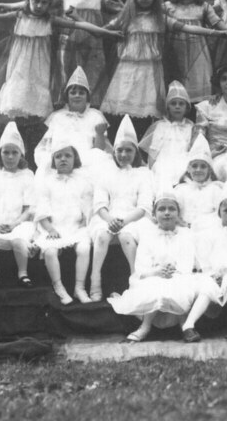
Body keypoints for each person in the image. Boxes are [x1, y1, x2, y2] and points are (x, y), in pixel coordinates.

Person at [101, 0, 227, 121]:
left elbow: (187, 28)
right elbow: (102, 30)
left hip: (151, 70)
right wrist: (83, 22)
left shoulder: (160, 18)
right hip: (127, 68)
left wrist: (216, 32)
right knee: (125, 104)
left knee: (148, 108)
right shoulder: (126, 17)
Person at [109, 190, 202, 342]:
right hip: (153, 274)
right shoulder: (148, 234)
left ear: (178, 213)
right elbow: (141, 266)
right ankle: (145, 326)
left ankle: (184, 324)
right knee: (156, 284)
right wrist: (157, 271)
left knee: (178, 284)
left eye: (171, 209)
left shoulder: (186, 234)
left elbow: (187, 261)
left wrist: (173, 270)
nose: (167, 213)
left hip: (178, 274)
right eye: (162, 209)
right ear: (154, 213)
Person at [180, 196, 227, 342]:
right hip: (212, 274)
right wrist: (215, 275)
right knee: (208, 288)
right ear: (219, 213)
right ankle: (188, 326)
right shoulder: (210, 234)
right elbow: (204, 261)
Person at [88, 116, 154, 278]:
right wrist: (110, 220)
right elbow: (100, 204)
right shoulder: (105, 173)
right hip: (108, 217)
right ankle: (95, 278)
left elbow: (144, 207)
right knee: (102, 236)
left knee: (126, 236)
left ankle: (135, 276)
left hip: (135, 218)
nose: (123, 154)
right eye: (119, 150)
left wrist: (124, 222)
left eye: (128, 150)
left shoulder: (144, 174)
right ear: (114, 152)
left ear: (136, 152)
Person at [54, 0, 124, 105]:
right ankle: (64, 113)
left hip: (93, 46)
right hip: (68, 45)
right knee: (67, 77)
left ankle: (92, 113)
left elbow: (123, 11)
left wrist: (106, 28)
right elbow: (39, 5)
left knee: (93, 78)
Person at [33, 138, 95, 304]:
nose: (63, 159)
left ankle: (79, 288)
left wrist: (83, 223)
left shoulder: (83, 181)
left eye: (68, 155)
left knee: (84, 248)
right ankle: (59, 287)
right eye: (58, 156)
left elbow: (87, 205)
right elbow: (42, 209)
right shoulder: (47, 182)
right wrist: (50, 229)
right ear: (53, 160)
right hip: (54, 227)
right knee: (51, 251)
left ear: (75, 159)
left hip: (76, 226)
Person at [0, 122, 36, 290]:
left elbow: (28, 209)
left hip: (20, 221)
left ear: (21, 155)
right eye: (6, 152)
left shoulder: (27, 176)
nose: (10, 157)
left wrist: (14, 224)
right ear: (0, 154)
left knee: (19, 239)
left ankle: (23, 274)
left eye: (14, 152)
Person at [33, 66, 115, 181]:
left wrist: (99, 134)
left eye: (81, 93)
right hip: (61, 158)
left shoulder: (95, 116)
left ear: (87, 96)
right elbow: (47, 145)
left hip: (86, 160)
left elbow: (100, 149)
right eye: (73, 92)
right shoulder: (57, 116)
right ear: (67, 96)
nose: (77, 95)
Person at [138, 80, 199, 189]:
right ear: (168, 107)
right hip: (163, 161)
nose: (177, 106)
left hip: (183, 160)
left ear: (186, 108)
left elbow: (193, 150)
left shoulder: (190, 127)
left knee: (185, 177)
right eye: (173, 103)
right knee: (162, 175)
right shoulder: (161, 126)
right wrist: (150, 170)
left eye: (181, 104)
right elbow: (153, 151)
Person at [174, 134, 226, 236]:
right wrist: (184, 225)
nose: (198, 170)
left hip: (209, 233)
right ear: (188, 169)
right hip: (184, 231)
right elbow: (174, 212)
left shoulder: (216, 189)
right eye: (194, 166)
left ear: (209, 170)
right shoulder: (180, 190)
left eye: (203, 166)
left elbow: (220, 215)